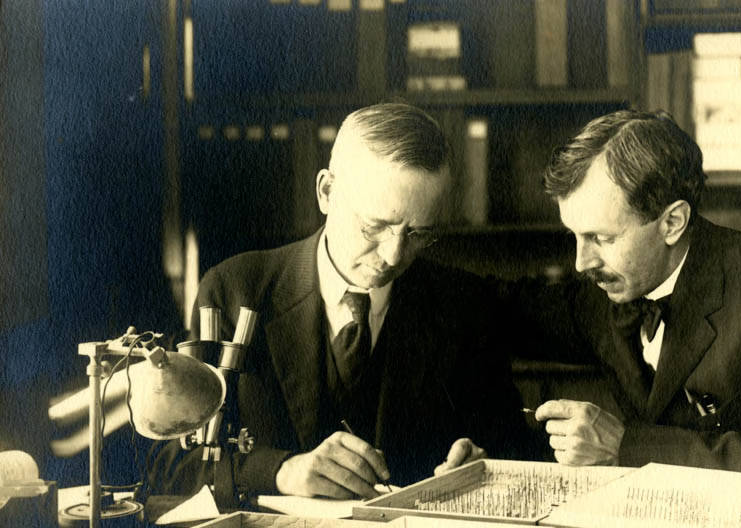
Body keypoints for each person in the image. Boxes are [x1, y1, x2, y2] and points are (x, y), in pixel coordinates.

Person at [149, 102, 528, 502]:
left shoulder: (463, 304)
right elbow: (172, 460)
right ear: (326, 191)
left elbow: (511, 448)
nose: (395, 255)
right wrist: (281, 471)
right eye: (374, 226)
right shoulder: (233, 290)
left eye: (419, 234)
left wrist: (483, 465)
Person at [455, 110, 741, 484]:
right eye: (574, 235)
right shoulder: (603, 292)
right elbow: (493, 309)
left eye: (602, 239)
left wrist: (627, 446)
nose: (580, 262)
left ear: (672, 222)